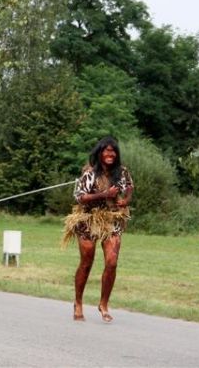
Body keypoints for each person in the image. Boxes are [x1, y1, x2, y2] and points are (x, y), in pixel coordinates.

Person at [64, 136, 133, 323]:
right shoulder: (89, 173)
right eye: (106, 151)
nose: (110, 154)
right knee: (87, 262)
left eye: (113, 151)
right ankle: (78, 302)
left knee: (112, 262)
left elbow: (129, 187)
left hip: (112, 219)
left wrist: (124, 200)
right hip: (89, 219)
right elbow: (80, 197)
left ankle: (104, 304)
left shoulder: (122, 172)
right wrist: (104, 194)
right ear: (100, 153)